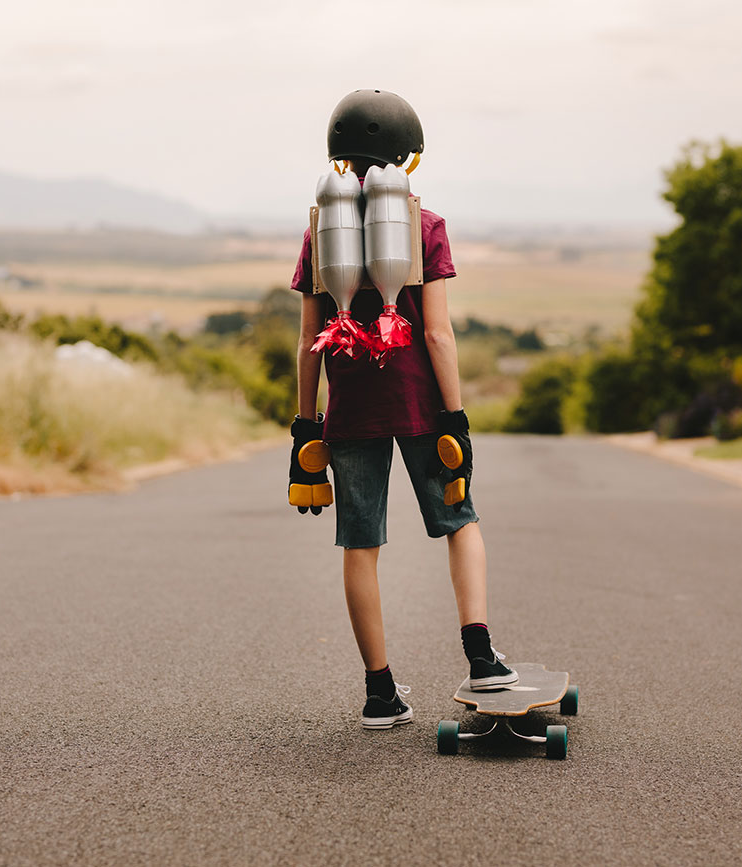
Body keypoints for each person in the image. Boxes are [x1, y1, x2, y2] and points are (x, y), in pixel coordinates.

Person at [288, 89, 516, 731]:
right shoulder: (424, 224)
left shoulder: (319, 230)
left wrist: (306, 424)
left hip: (351, 410)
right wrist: (457, 416)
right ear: (404, 155)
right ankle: (481, 660)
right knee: (459, 521)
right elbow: (438, 334)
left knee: (361, 545)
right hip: (419, 402)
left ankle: (379, 693)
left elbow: (309, 343)